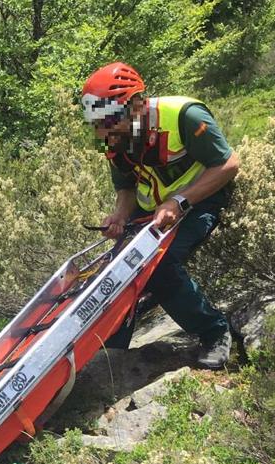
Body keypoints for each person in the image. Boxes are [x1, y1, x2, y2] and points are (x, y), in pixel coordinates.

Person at [80, 62, 240, 369]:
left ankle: (215, 332)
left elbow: (228, 165)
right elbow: (126, 186)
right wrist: (120, 216)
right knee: (120, 267)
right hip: (152, 208)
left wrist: (179, 201)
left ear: (137, 105)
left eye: (109, 121)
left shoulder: (184, 116)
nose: (103, 131)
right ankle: (114, 352)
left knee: (159, 264)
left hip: (199, 200)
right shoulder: (113, 134)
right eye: (98, 124)